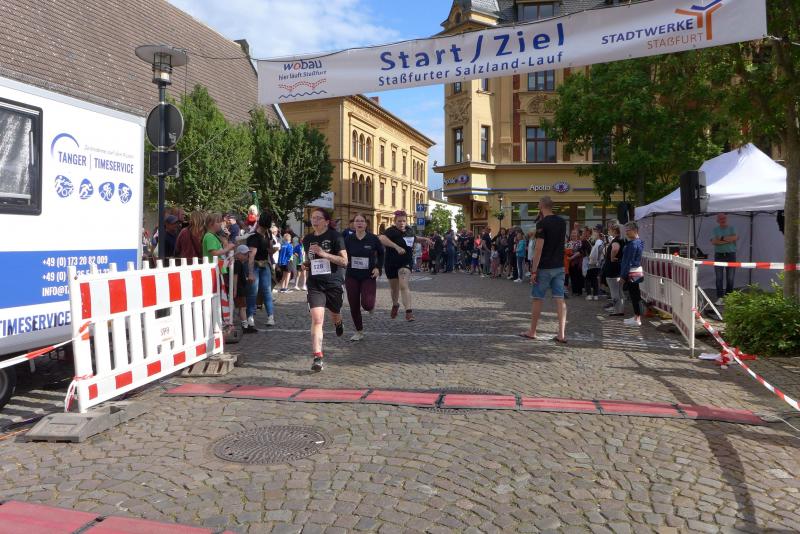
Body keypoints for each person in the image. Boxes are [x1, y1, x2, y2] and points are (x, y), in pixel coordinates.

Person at [303, 208, 348, 372]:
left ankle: (338, 322)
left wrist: (324, 254)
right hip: (315, 284)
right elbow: (311, 260)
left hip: (333, 283)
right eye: (312, 218)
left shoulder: (336, 237)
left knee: (335, 313)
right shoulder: (307, 239)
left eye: (318, 218)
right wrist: (306, 265)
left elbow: (344, 261)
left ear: (326, 221)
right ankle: (317, 357)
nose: (314, 221)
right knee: (317, 319)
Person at [520, 196, 567, 343]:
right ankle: (561, 334)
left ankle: (532, 331)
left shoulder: (542, 223)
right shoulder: (562, 222)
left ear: (541, 206)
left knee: (537, 299)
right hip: (559, 265)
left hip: (544, 267)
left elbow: (538, 249)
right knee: (560, 299)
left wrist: (533, 271)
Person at [378, 210, 430, 322]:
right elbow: (381, 238)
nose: (402, 223)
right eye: (399, 221)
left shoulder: (409, 230)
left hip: (405, 262)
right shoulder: (391, 231)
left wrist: (424, 239)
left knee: (403, 285)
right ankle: (395, 304)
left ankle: (408, 312)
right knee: (394, 288)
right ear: (395, 221)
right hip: (391, 263)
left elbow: (414, 238)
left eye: (404, 221)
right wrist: (396, 247)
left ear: (406, 221)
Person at [344, 213, 385, 341]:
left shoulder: (373, 238)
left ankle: (370, 306)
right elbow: (342, 254)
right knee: (354, 304)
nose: (359, 223)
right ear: (353, 223)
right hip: (352, 275)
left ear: (366, 224)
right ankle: (359, 331)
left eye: (362, 221)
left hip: (368, 275)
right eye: (357, 221)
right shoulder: (348, 239)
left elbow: (381, 253)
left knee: (367, 304)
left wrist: (378, 268)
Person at [246, 214, 277, 328]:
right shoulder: (254, 237)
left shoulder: (268, 235)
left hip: (264, 265)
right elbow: (251, 257)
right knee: (254, 292)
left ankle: (269, 317)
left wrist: (273, 249)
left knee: (264, 291)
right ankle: (251, 316)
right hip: (255, 266)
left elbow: (269, 251)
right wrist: (250, 273)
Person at [620, 221, 645, 327]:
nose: (626, 232)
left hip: (632, 272)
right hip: (635, 271)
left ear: (635, 230)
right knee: (635, 295)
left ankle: (637, 319)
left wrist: (623, 276)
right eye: (626, 230)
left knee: (634, 296)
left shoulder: (633, 244)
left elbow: (628, 262)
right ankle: (636, 317)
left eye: (628, 230)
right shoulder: (637, 242)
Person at [711, 213, 737, 305]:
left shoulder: (732, 228)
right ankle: (720, 298)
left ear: (726, 219)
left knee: (730, 278)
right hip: (719, 255)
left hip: (731, 255)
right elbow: (714, 241)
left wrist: (721, 239)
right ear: (717, 220)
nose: (723, 220)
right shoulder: (715, 230)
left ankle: (728, 297)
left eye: (724, 218)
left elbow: (735, 238)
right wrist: (728, 240)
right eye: (721, 218)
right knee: (719, 278)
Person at [233, 245, 257, 334]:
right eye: (245, 254)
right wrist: (235, 289)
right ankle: (245, 326)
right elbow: (235, 276)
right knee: (242, 307)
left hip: (241, 288)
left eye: (247, 254)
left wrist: (246, 279)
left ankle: (245, 324)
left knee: (242, 307)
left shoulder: (239, 263)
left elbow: (239, 277)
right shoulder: (237, 263)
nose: (247, 256)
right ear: (239, 254)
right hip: (239, 289)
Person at [603, 223, 625, 316]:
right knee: (619, 291)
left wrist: (612, 258)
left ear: (614, 231)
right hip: (618, 267)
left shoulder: (616, 240)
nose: (609, 231)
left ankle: (617, 310)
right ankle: (620, 309)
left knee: (614, 291)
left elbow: (615, 249)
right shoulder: (623, 240)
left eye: (610, 230)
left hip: (612, 268)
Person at [586, 229, 604, 300]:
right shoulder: (601, 242)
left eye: (593, 234)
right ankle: (595, 295)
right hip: (598, 263)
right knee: (594, 279)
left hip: (593, 263)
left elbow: (594, 254)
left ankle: (589, 295)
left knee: (588, 279)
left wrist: (591, 259)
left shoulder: (598, 243)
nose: (592, 236)